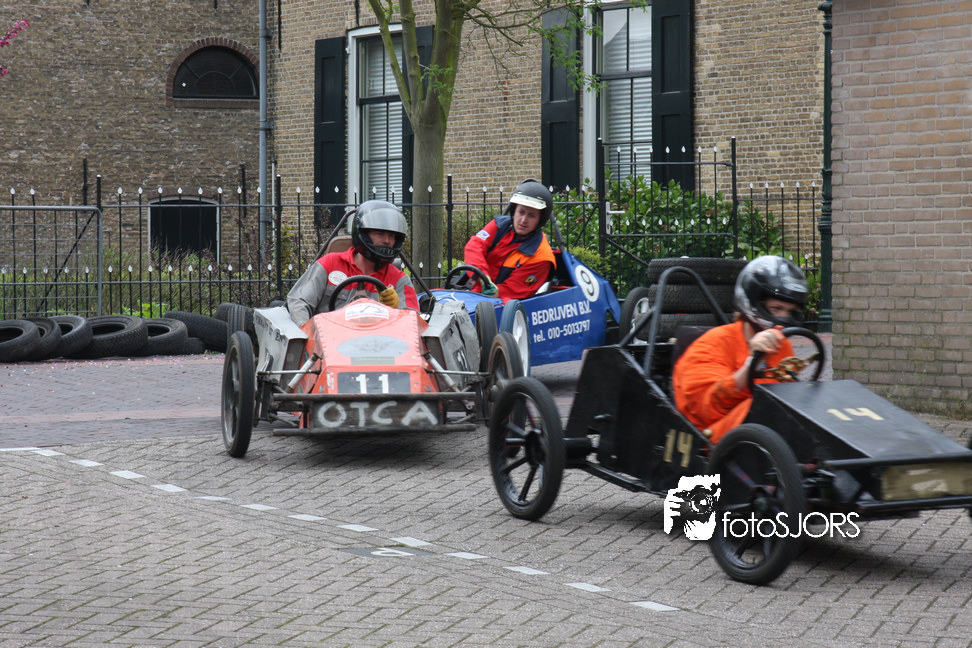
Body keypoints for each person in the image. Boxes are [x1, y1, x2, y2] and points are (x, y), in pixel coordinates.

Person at [672, 255, 809, 443]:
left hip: (768, 439)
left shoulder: (781, 344)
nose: (784, 318)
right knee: (767, 406)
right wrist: (752, 363)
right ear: (754, 304)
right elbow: (707, 411)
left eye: (790, 311)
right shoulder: (710, 345)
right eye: (776, 308)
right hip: (715, 442)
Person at [287, 200, 418, 326]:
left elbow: (412, 323)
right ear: (363, 234)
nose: (387, 241)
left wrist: (395, 311)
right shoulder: (329, 264)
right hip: (330, 339)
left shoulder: (399, 280)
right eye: (379, 234)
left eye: (392, 236)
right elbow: (298, 302)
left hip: (378, 340)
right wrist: (308, 333)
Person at [463, 178, 556, 302]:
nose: (523, 220)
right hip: (473, 294)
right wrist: (483, 278)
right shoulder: (499, 225)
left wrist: (490, 290)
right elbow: (473, 247)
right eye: (521, 212)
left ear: (540, 220)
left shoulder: (542, 257)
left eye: (531, 215)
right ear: (514, 211)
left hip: (501, 304)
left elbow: (512, 291)